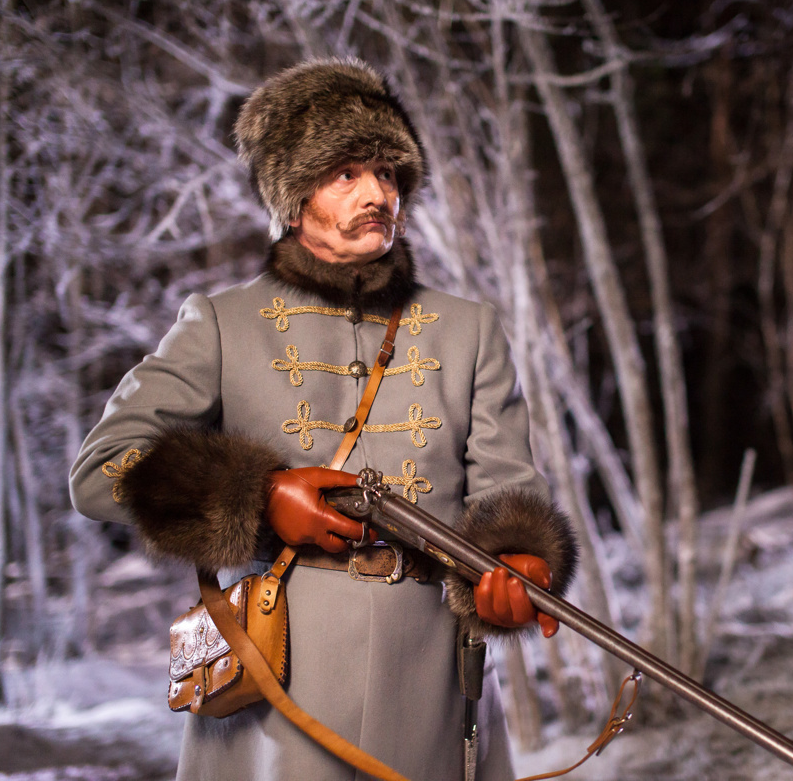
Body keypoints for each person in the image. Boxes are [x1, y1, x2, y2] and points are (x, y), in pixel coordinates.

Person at [69, 57, 578, 781]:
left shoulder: (469, 329)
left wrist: (518, 565)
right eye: (346, 174)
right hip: (277, 685)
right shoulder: (222, 323)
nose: (377, 193)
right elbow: (102, 469)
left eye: (388, 173)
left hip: (432, 681)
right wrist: (258, 496)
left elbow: (508, 493)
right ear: (294, 197)